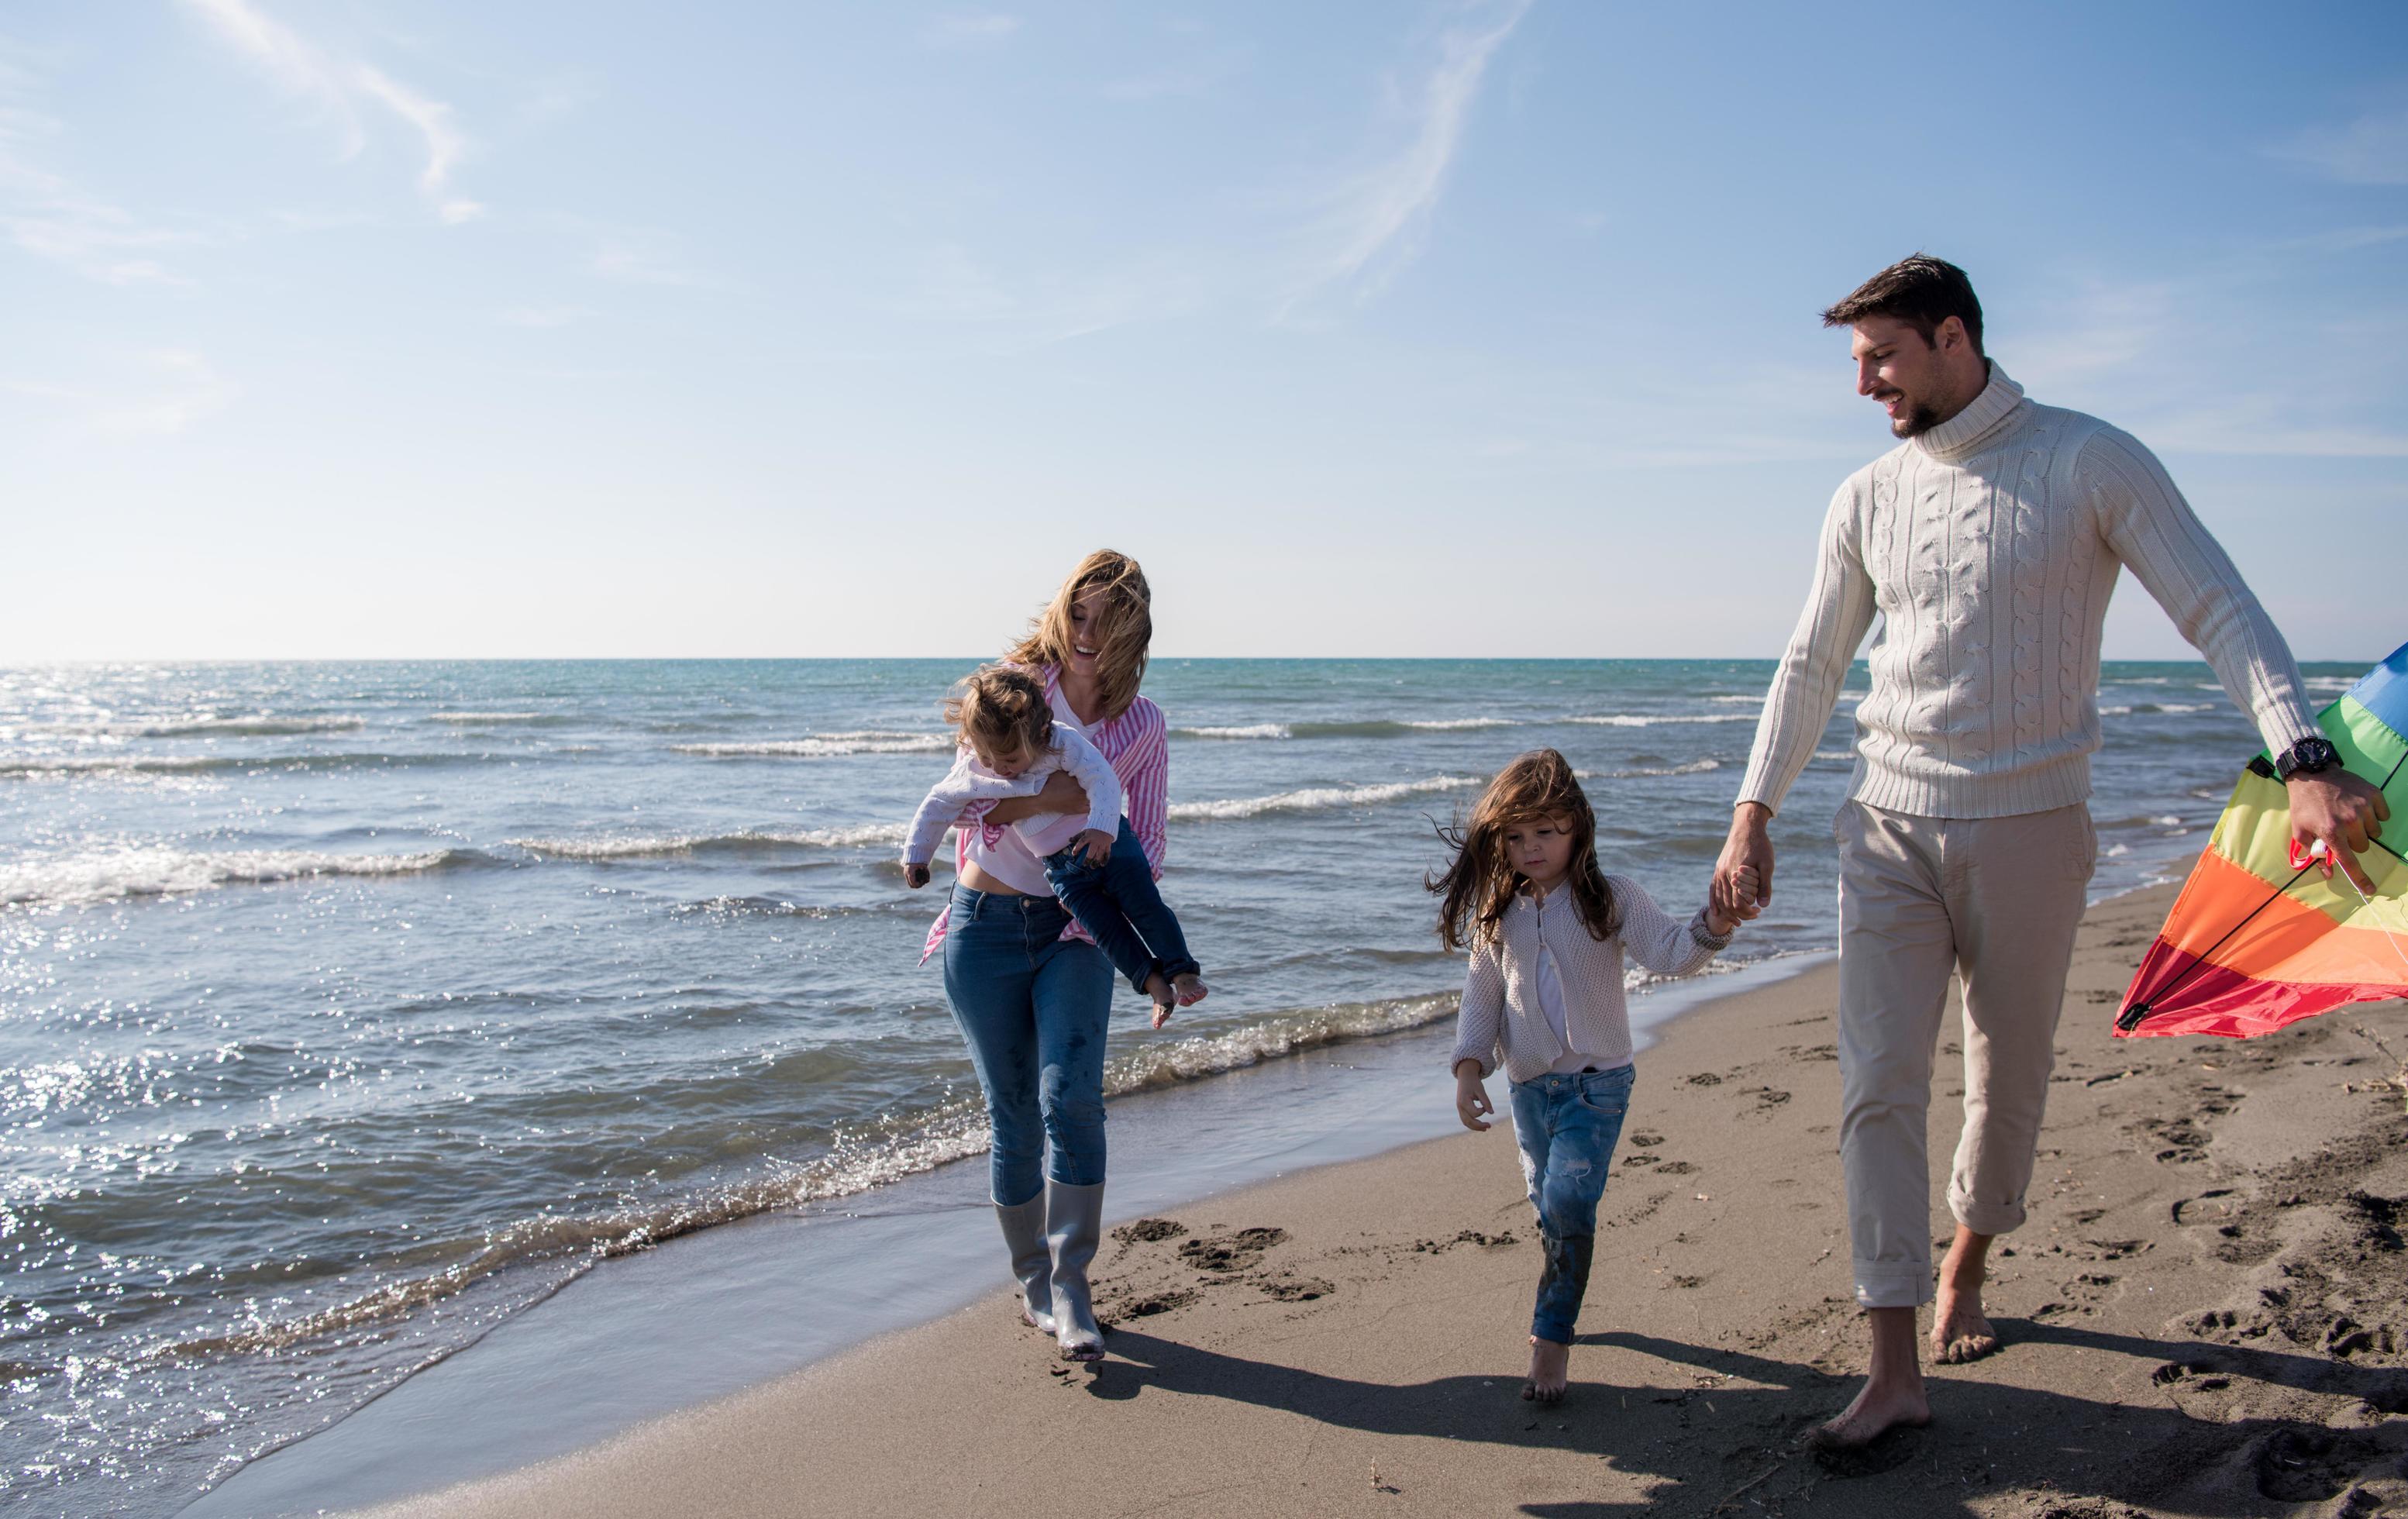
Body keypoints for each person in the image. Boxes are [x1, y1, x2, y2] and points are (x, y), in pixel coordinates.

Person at [1711, 255, 2390, 1448]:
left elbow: (2216, 607)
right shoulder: (1863, 494)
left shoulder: (2087, 458)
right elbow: (1809, 663)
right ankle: (1889, 1364)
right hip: (1883, 825)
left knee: (2005, 1077)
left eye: (1879, 356)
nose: (1862, 382)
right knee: (1877, 1085)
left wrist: (2299, 760)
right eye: (1854, 361)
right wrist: (1750, 811)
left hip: (2031, 826)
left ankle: (1968, 1255)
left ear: (1951, 337)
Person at [920, 549, 1177, 1362]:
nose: (1087, 631)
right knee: (1012, 1113)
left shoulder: (1143, 725)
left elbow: (1150, 840)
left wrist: (1134, 949)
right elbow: (966, 802)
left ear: (1134, 624)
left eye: (1106, 616)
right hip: (985, 921)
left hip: (1074, 934)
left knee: (1070, 1099)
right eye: (1078, 610)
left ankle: (1072, 1285)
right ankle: (1031, 1279)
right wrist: (1050, 800)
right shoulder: (1011, 688)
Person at [1435, 749, 1749, 1404]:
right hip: (1527, 1088)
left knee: (1570, 1203)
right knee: (1548, 1211)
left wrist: (1714, 923)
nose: (1530, 848)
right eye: (1515, 837)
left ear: (1577, 826)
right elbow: (1482, 995)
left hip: (1598, 1086)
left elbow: (1670, 953)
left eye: (1544, 832)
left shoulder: (1610, 896)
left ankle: (1551, 1340)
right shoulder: (1499, 912)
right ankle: (1564, 1280)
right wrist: (1469, 1069)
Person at [902, 663, 1206, 1022]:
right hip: (1062, 871)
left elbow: (1102, 778)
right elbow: (939, 804)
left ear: (1041, 732)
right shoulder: (977, 765)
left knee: (1143, 905)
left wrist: (1102, 829)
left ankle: (1182, 971)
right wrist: (917, 855)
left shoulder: (1061, 742)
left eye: (1011, 759)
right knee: (1104, 929)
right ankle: (1155, 986)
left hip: (1107, 841)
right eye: (987, 758)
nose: (998, 769)